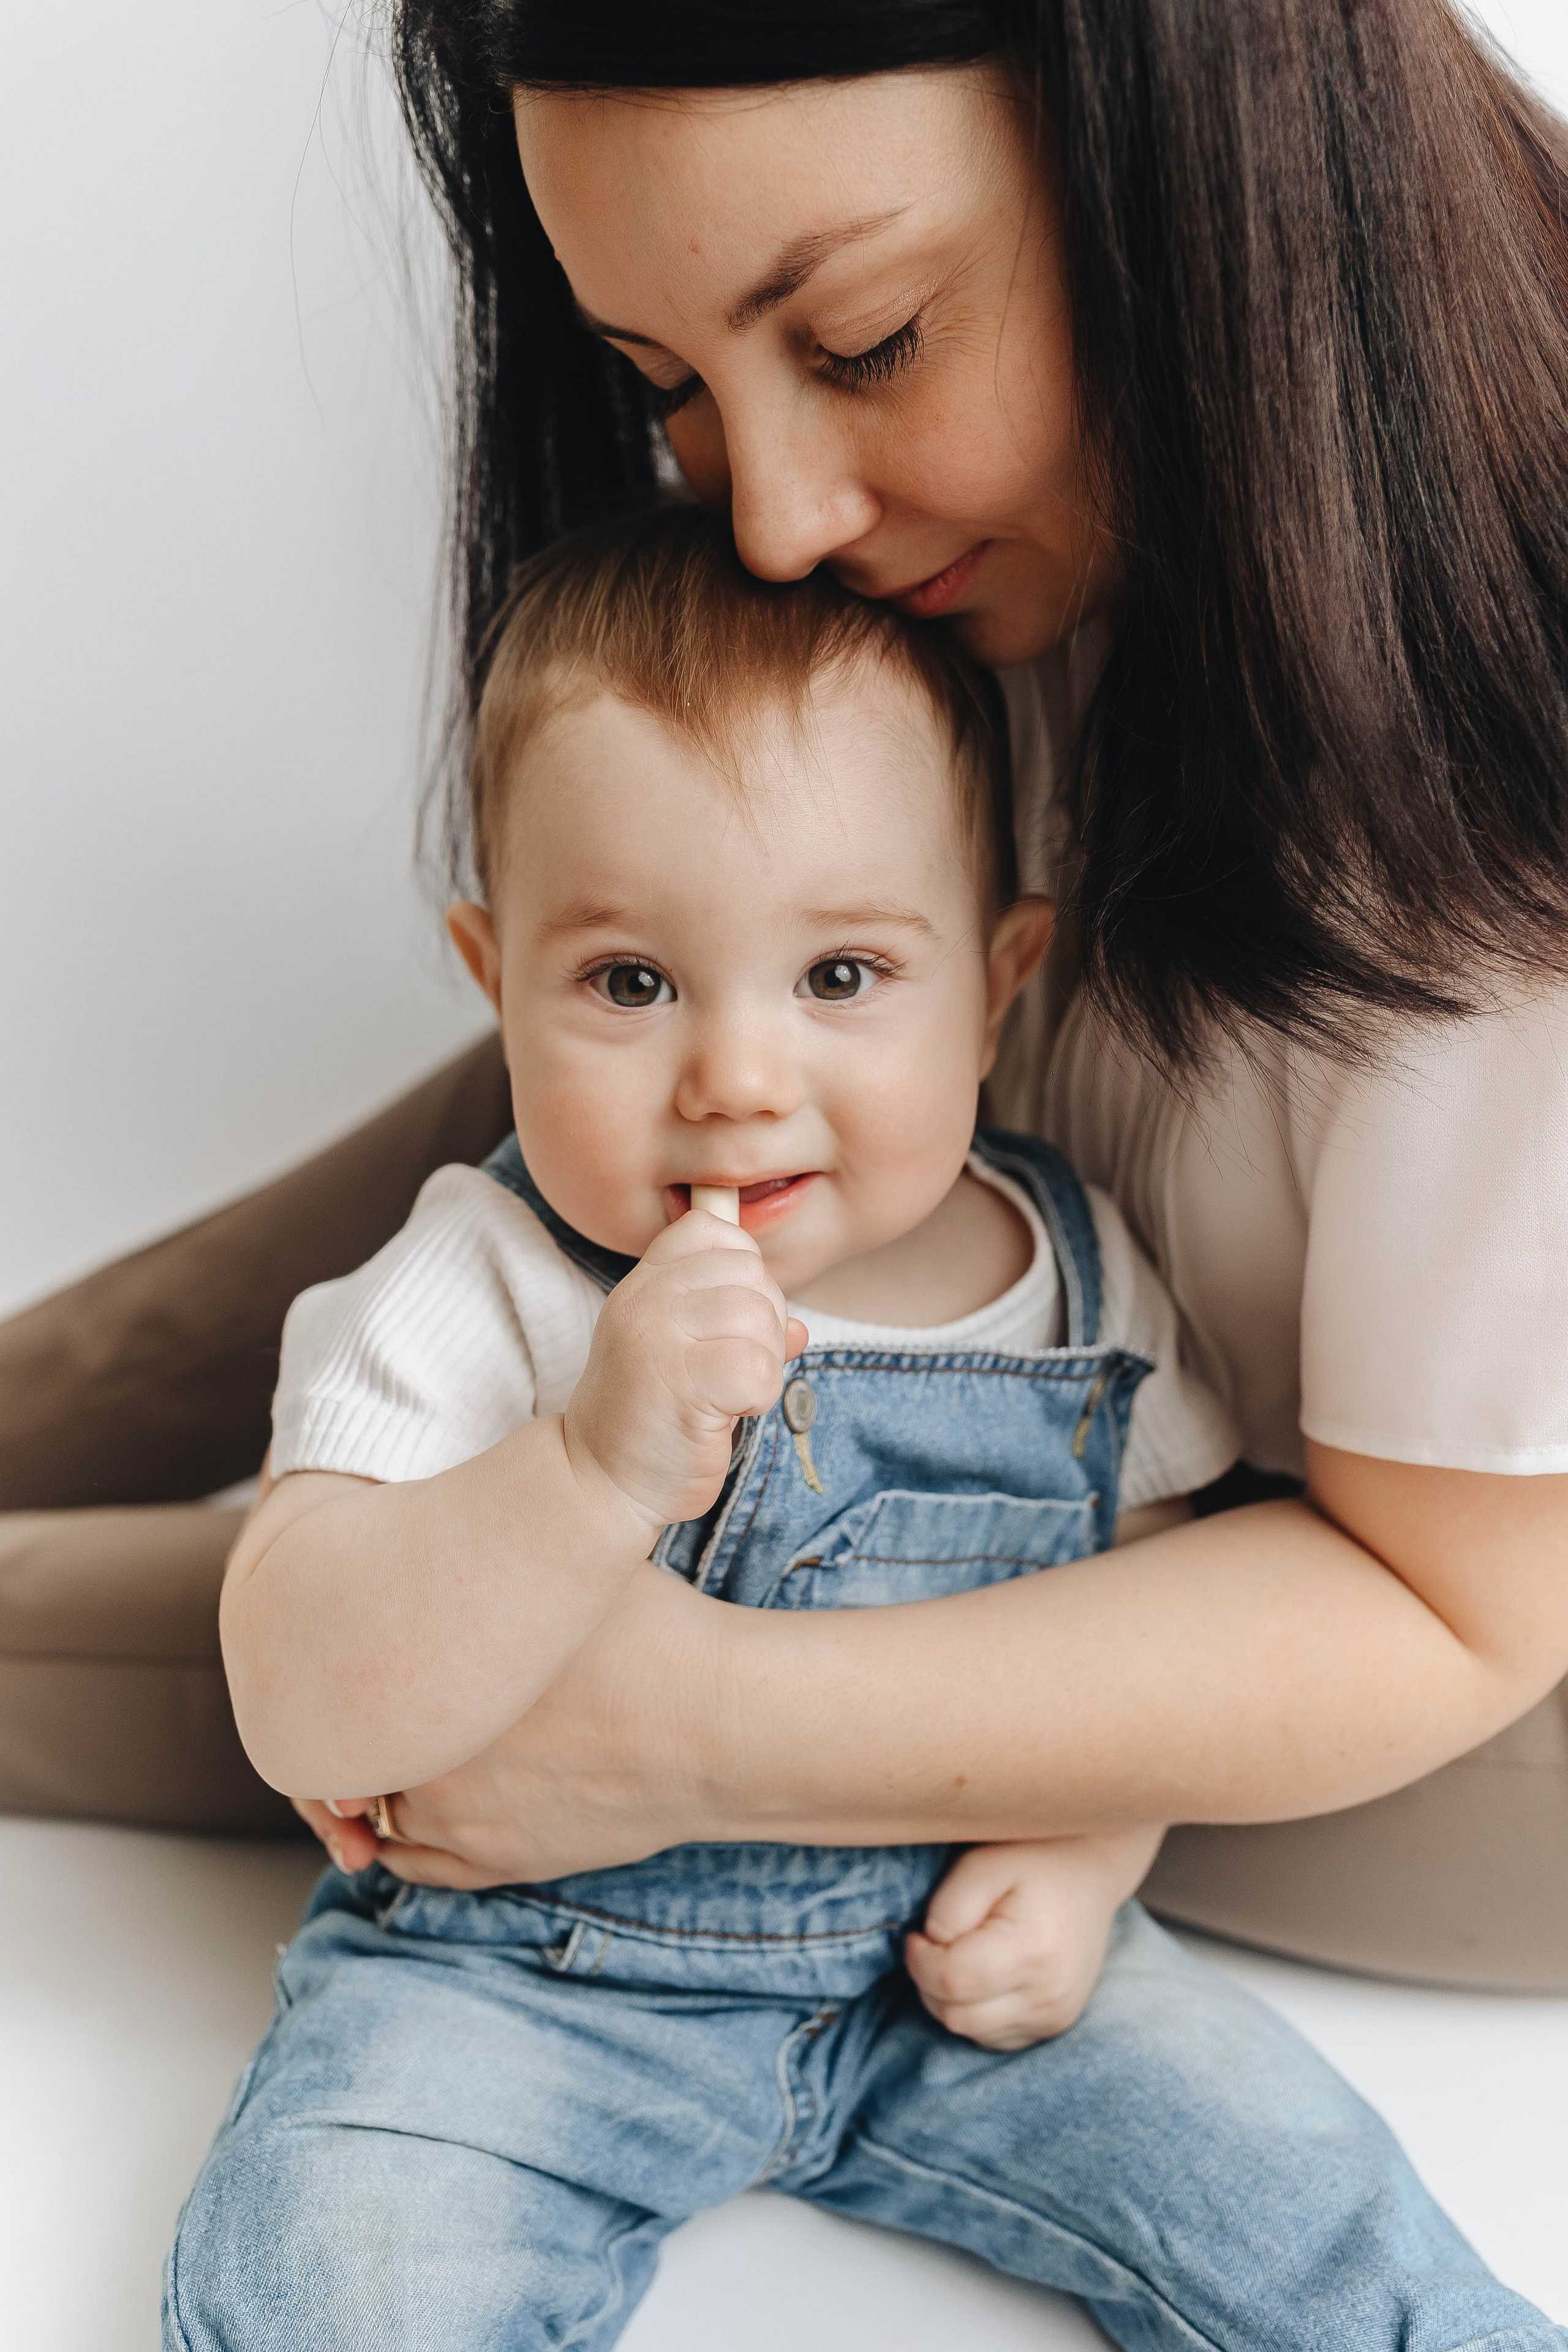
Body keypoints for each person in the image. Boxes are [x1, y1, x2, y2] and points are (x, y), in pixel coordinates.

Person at [4, 0, 1568, 1992]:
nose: (770, 518)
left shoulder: (1501, 686)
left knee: (425, 1644)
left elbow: (1451, 1605)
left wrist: (677, 1731)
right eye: (666, 383)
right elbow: (558, 1113)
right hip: (1153, 1449)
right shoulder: (1037, 520)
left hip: (1474, 1678)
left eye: (865, 345)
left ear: (1198, 149)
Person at [165, 506, 1561, 2352]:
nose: (738, 1078)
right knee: (338, 2283)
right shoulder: (486, 1278)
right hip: (535, 1985)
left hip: (963, 1979)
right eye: (630, 983)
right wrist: (584, 1466)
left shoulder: (1069, 1265)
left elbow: (1154, 1595)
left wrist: (1088, 1851)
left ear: (997, 984)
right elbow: (301, 1685)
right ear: (495, 974)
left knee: (1310, 2212)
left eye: (839, 979)